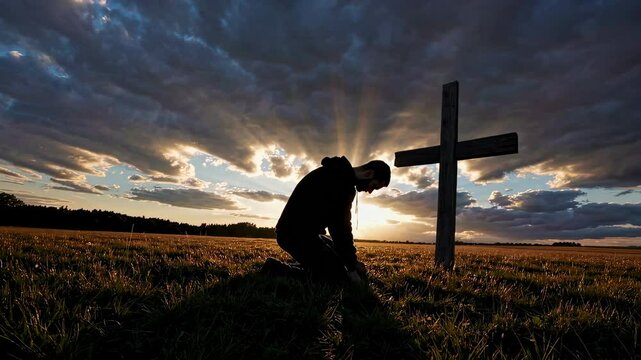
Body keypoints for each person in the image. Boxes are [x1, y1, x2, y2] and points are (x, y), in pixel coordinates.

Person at [262, 156, 390, 284]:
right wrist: (351, 268)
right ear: (369, 173)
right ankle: (273, 268)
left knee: (336, 261)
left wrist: (353, 261)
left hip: (305, 233)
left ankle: (314, 267)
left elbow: (342, 227)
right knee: (337, 278)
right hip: (293, 235)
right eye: (373, 186)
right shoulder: (341, 182)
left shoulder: (338, 174)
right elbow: (340, 228)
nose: (370, 191)